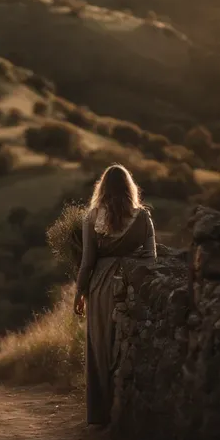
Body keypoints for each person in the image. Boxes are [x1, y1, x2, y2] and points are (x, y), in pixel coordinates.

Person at [74, 164, 156, 426]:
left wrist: (79, 292)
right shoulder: (142, 217)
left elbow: (87, 261)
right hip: (132, 282)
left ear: (103, 188)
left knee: (100, 345)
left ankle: (100, 414)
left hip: (100, 285)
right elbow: (151, 257)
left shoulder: (92, 217)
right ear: (130, 187)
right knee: (123, 347)